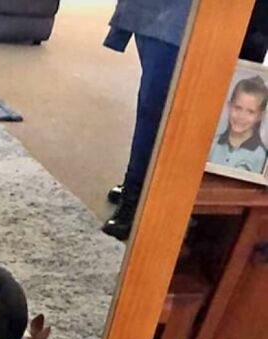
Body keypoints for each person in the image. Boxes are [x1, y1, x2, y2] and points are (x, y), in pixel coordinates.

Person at [102, 0, 193, 241]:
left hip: (218, 17)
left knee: (160, 111)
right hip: (157, 13)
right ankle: (136, 190)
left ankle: (140, 193)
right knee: (153, 107)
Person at [208, 76, 268, 175]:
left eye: (250, 112)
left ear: (260, 116)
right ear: (229, 106)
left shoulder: (262, 156)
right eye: (238, 108)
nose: (241, 116)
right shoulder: (212, 144)